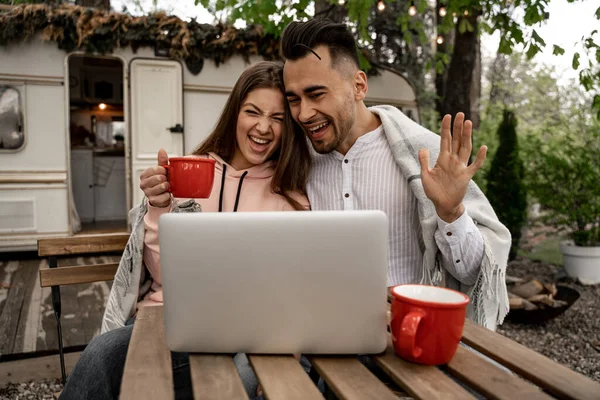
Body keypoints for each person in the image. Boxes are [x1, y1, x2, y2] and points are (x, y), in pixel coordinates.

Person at [59, 61, 311, 400]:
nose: (264, 127)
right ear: (235, 112)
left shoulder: (291, 194)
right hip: (170, 321)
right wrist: (159, 207)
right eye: (253, 111)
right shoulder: (191, 170)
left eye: (278, 118)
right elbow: (165, 273)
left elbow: (291, 286)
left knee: (243, 376)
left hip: (248, 329)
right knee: (102, 353)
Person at [279, 18, 511, 331]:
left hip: (408, 338)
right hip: (321, 336)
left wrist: (451, 212)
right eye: (294, 99)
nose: (303, 113)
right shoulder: (294, 162)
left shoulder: (422, 158)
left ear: (359, 86)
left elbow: (472, 275)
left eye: (316, 94)